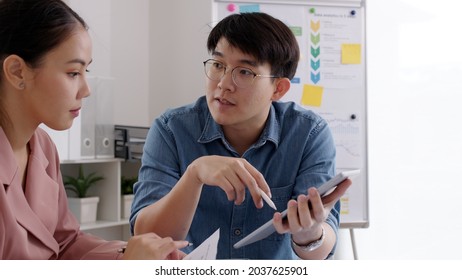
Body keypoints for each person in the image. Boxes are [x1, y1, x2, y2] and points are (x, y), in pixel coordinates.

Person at [130, 12, 351, 260]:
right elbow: (147, 238)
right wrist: (194, 176)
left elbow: (321, 248)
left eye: (245, 72)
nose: (224, 83)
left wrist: (309, 233)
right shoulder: (171, 130)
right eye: (218, 65)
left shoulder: (309, 133)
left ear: (278, 88)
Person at [0, 0, 188, 260]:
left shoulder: (42, 147)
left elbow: (65, 243)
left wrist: (131, 256)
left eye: (85, 71)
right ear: (17, 71)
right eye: (73, 73)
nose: (86, 90)